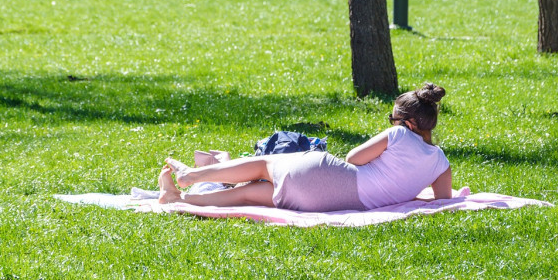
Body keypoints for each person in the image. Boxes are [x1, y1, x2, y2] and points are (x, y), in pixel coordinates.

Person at [157, 83, 453, 212]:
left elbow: (354, 157)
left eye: (393, 118)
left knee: (263, 166)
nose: (391, 122)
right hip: (327, 203)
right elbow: (441, 200)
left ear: (409, 123)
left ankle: (191, 178)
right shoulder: (440, 161)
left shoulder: (398, 135)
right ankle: (179, 201)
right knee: (249, 193)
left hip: (329, 177)